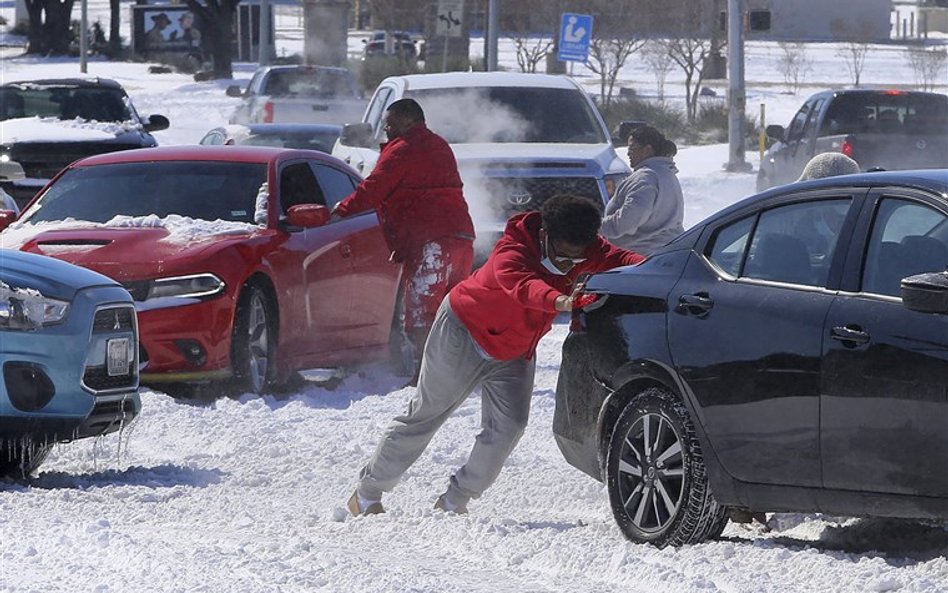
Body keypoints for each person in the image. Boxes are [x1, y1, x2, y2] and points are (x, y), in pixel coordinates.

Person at [347, 194, 645, 517]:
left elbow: (626, 260)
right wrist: (560, 302)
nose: (568, 266)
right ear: (545, 236)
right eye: (563, 257)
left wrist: (664, 267)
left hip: (514, 352)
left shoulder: (587, 250)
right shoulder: (512, 250)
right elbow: (522, 285)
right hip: (463, 333)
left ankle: (454, 499)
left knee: (510, 426)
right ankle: (367, 492)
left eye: (577, 260)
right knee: (427, 415)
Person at [332, 98, 475, 380]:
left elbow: (375, 187)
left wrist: (341, 210)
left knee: (421, 316)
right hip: (461, 239)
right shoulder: (439, 144)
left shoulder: (403, 149)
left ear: (410, 121)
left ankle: (427, 378)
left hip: (432, 241)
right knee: (452, 313)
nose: (386, 129)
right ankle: (457, 373)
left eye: (391, 122)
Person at [600, 125, 684, 255]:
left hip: (640, 260)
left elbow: (627, 221)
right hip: (663, 254)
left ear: (647, 150)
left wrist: (595, 227)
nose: (628, 153)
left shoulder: (646, 178)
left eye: (632, 148)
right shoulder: (666, 174)